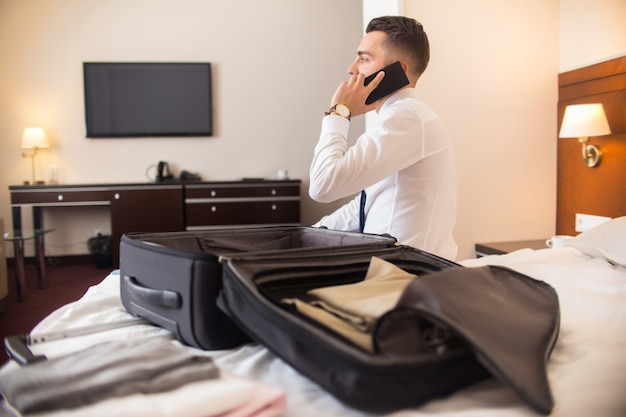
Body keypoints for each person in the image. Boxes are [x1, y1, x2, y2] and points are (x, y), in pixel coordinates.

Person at [309, 16, 458, 260]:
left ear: (397, 71)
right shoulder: (404, 117)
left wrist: (339, 112)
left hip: (409, 276)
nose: (352, 68)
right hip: (398, 269)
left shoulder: (407, 118)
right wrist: (310, 235)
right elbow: (366, 205)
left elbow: (322, 186)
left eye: (364, 58)